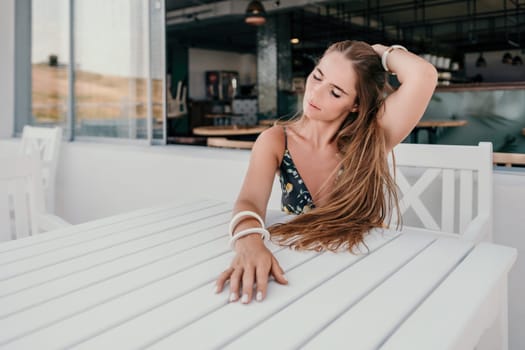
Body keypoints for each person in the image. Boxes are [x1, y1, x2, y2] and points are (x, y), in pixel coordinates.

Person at [215, 40, 437, 305]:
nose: (315, 94)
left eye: (335, 93)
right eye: (317, 76)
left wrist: (381, 52)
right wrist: (249, 243)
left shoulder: (370, 138)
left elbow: (423, 75)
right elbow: (249, 201)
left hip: (369, 267)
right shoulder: (276, 140)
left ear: (355, 104)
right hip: (301, 270)